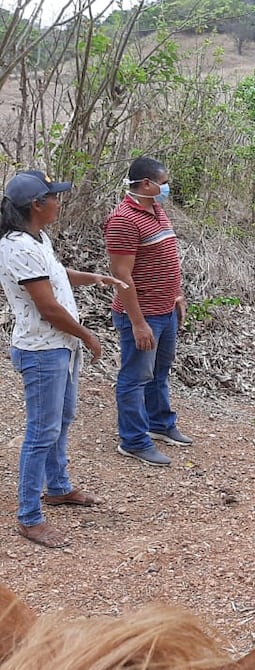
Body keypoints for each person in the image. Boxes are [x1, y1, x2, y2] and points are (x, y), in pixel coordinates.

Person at [0, 171, 126, 547]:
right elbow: (47, 308)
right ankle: (29, 516)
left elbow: (54, 275)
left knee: (62, 419)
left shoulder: (37, 239)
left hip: (59, 347)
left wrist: (97, 278)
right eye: (54, 196)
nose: (59, 201)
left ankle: (58, 487)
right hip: (43, 350)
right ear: (37, 205)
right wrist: (88, 336)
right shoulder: (17, 247)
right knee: (42, 431)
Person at [105, 156, 191, 467]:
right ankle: (133, 440)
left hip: (165, 310)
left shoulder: (157, 210)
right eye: (163, 182)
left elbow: (166, 257)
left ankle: (160, 424)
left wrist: (177, 294)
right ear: (146, 184)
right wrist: (138, 323)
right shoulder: (123, 221)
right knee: (135, 377)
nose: (166, 188)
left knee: (159, 373)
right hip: (142, 315)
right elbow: (122, 277)